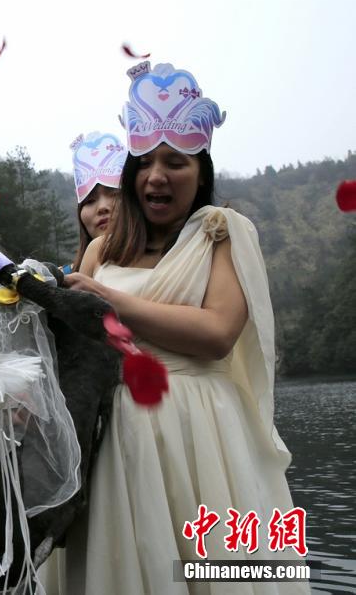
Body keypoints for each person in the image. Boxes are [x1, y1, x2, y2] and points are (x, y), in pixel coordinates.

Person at [42, 63, 310, 594]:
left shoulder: (222, 233)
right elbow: (74, 344)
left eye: (175, 162)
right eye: (144, 163)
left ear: (201, 171)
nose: (156, 176)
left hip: (201, 432)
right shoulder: (102, 249)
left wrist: (108, 300)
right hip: (113, 434)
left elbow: (217, 333)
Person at [68, 131, 124, 270]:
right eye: (89, 201)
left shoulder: (173, 265)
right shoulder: (62, 281)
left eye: (115, 194)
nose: (102, 207)